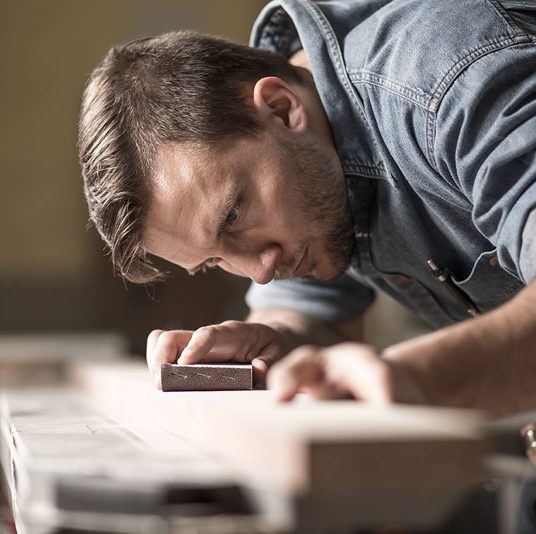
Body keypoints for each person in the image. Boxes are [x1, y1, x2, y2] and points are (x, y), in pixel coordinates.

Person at [78, 0, 536, 416]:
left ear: (280, 108)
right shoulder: (306, 160)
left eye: (233, 216)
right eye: (213, 261)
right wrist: (276, 339)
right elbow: (314, 315)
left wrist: (414, 377)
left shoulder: (448, 79)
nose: (257, 271)